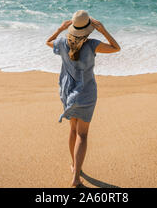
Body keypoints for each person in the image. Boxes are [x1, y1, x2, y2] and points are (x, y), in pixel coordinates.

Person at [46, 10, 120, 187]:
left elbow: (48, 42)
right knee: (83, 134)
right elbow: (116, 48)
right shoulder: (93, 44)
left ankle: (74, 167)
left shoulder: (63, 42)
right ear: (89, 28)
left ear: (71, 26)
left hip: (67, 92)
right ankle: (76, 177)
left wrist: (60, 29)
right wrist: (103, 30)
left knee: (73, 130)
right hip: (86, 92)